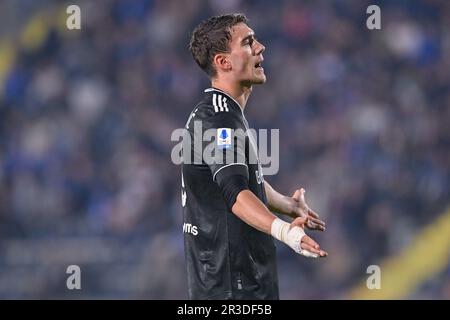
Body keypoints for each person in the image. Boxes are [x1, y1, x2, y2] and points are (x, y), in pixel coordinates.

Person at [181, 13, 328, 300]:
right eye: (248, 42)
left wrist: (285, 203)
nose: (261, 47)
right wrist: (287, 233)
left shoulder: (219, 112)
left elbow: (242, 179)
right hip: (232, 288)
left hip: (228, 284)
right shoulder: (220, 120)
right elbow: (235, 194)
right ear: (224, 62)